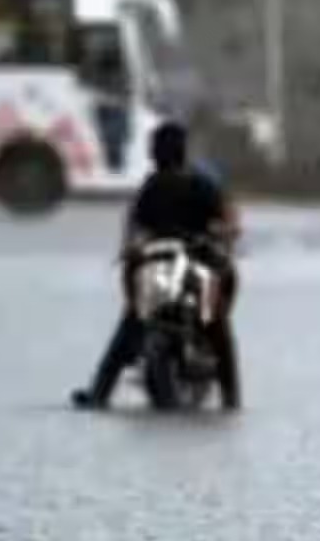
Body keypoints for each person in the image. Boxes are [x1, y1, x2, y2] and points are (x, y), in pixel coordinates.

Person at [71, 122, 242, 411]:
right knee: (217, 326)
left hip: (175, 268)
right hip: (176, 268)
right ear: (183, 152)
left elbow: (132, 232)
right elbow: (229, 223)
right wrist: (224, 234)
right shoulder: (195, 185)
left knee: (130, 324)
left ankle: (100, 392)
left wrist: (132, 249)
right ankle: (232, 397)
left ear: (155, 154)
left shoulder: (152, 188)